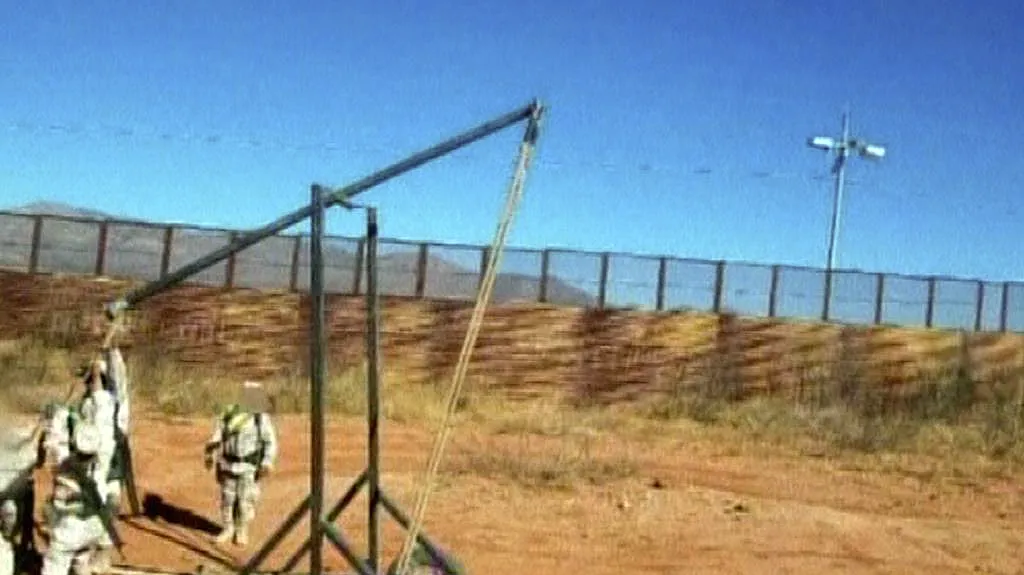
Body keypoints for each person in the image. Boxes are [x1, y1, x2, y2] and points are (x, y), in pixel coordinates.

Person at [37, 404, 115, 575]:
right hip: (95, 526)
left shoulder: (63, 465)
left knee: (55, 565)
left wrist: (59, 415)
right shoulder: (104, 458)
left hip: (69, 530)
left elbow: (52, 442)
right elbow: (105, 418)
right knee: (81, 559)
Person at [204, 381, 278, 547]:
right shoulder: (229, 413)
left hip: (248, 466)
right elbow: (218, 435)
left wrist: (267, 462)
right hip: (227, 464)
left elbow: (270, 442)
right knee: (227, 499)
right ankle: (228, 528)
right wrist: (211, 450)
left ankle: (241, 529)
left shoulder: (260, 418)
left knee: (245, 500)